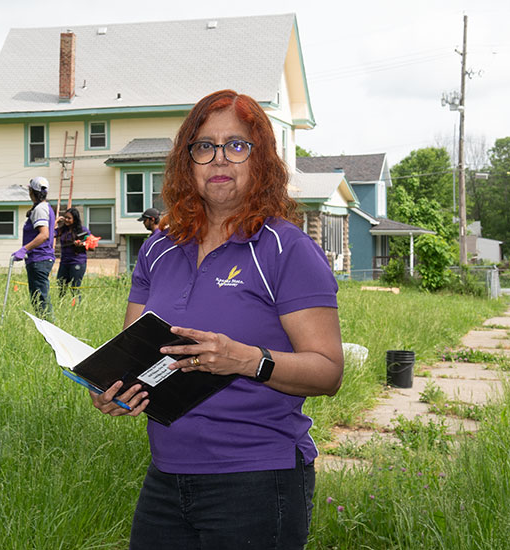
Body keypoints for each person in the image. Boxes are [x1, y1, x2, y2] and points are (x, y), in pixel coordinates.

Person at [90, 90, 344, 549]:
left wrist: (245, 360)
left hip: (257, 480)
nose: (219, 159)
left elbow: (328, 372)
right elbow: (136, 356)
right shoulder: (159, 248)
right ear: (187, 161)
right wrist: (115, 391)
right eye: (204, 147)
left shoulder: (285, 249)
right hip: (166, 478)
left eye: (237, 145)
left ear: (261, 158)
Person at [13, 177, 56, 317]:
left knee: (40, 299)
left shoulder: (40, 209)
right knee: (38, 298)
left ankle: (49, 329)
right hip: (40, 258)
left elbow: (44, 235)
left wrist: (25, 248)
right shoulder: (43, 207)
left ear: (32, 191)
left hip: (39, 258)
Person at [55, 206, 91, 297]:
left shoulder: (82, 230)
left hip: (77, 261)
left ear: (75, 219)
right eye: (65, 217)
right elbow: (50, 234)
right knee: (61, 286)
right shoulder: (62, 230)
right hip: (64, 262)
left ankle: (76, 308)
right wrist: (56, 222)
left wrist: (81, 244)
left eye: (69, 218)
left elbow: (91, 244)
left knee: (74, 288)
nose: (66, 220)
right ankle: (61, 306)